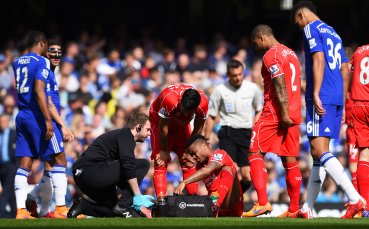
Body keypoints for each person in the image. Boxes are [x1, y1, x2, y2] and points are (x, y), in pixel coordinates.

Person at [291, 1, 366, 219]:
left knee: (319, 150)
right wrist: (342, 103)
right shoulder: (333, 32)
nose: (299, 26)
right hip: (335, 96)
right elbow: (345, 70)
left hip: (321, 94)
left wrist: (315, 92)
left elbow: (319, 59)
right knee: (318, 154)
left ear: (302, 15)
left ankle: (355, 199)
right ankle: (307, 208)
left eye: (297, 21)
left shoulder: (310, 28)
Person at [242, 24, 302, 218]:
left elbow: (279, 83)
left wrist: (283, 112)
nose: (256, 48)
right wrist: (290, 112)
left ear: (261, 38)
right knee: (289, 159)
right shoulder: (291, 53)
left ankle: (262, 202)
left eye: (255, 44)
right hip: (294, 112)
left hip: (276, 112)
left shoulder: (271, 55)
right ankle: (294, 209)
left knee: (253, 151)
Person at [13, 31, 66, 219]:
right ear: (43, 44)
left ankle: (21, 210)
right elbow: (39, 91)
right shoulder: (41, 62)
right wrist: (48, 120)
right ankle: (60, 208)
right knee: (59, 160)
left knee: (25, 163)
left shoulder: (17, 61)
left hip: (22, 115)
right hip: (37, 117)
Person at [67, 111, 154, 218]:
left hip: (83, 176)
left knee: (113, 211)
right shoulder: (126, 134)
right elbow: (128, 163)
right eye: (148, 129)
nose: (149, 134)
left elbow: (124, 174)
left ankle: (83, 206)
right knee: (143, 164)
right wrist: (137, 195)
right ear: (138, 127)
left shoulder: (122, 137)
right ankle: (124, 205)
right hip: (89, 171)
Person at [26, 39, 74, 218]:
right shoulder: (45, 69)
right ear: (46, 52)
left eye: (59, 52)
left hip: (45, 122)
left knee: (50, 167)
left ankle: (35, 201)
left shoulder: (52, 72)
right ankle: (61, 208)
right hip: (47, 124)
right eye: (52, 51)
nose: (56, 55)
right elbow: (47, 102)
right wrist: (63, 126)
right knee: (61, 161)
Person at [204, 59, 262, 194]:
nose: (238, 78)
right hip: (227, 133)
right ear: (228, 76)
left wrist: (255, 128)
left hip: (247, 134)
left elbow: (259, 109)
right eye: (234, 75)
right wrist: (206, 139)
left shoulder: (253, 89)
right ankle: (225, 200)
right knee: (231, 171)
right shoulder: (220, 90)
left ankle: (235, 198)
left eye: (240, 74)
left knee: (248, 176)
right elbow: (212, 116)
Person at [149, 84, 208, 203]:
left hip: (182, 128)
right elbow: (163, 127)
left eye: (189, 112)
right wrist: (164, 150)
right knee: (160, 161)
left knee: (189, 162)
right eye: (184, 110)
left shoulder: (203, 104)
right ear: (180, 101)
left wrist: (190, 149)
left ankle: (194, 200)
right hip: (159, 124)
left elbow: (198, 128)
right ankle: (161, 201)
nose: (186, 115)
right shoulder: (169, 99)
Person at [174, 135, 244, 217]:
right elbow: (190, 172)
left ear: (203, 145)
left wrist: (184, 182)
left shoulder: (220, 154)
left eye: (194, 152)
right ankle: (212, 206)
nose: (193, 157)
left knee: (227, 169)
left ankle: (215, 205)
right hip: (216, 205)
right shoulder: (199, 166)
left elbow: (207, 171)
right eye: (191, 155)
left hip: (233, 204)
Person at [348, 44, 369, 217]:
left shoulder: (359, 51)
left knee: (364, 155)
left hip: (357, 104)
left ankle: (366, 207)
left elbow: (350, 73)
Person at [0, 114, 17, 218]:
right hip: (1, 166)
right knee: (10, 192)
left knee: (6, 190)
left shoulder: (13, 134)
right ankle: (13, 213)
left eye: (3, 121)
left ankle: (1, 214)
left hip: (11, 166)